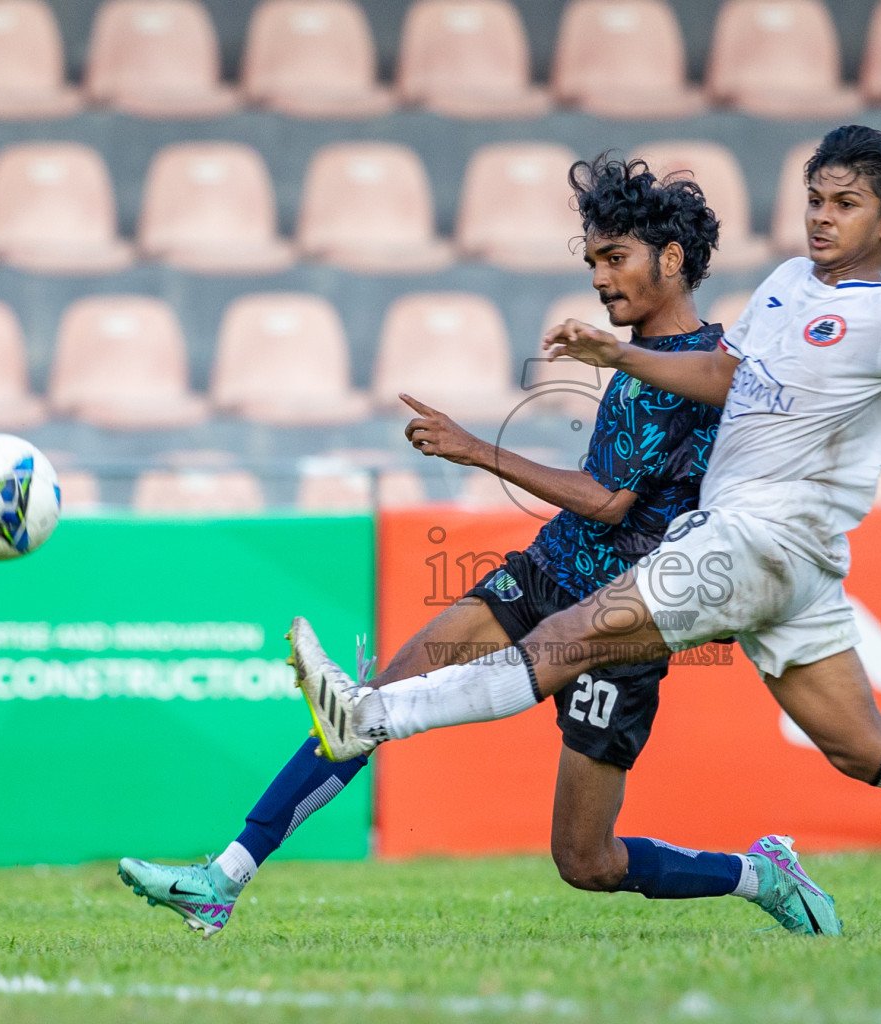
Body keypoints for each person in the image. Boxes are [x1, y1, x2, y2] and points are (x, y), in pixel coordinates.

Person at [297, 125, 881, 935]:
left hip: (757, 539)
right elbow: (724, 376)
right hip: (789, 563)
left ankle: (373, 718)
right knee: (858, 744)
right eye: (814, 199)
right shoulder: (787, 284)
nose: (821, 217)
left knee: (575, 636)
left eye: (846, 204)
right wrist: (618, 359)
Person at [117, 156, 839, 939]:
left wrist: (475, 450)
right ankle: (221, 879)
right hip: (546, 572)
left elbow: (607, 499)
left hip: (622, 621)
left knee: (585, 862)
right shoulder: (638, 360)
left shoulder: (695, 366)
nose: (599, 277)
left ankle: (759, 875)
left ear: (671, 260)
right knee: (364, 708)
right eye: (593, 259)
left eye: (615, 258)